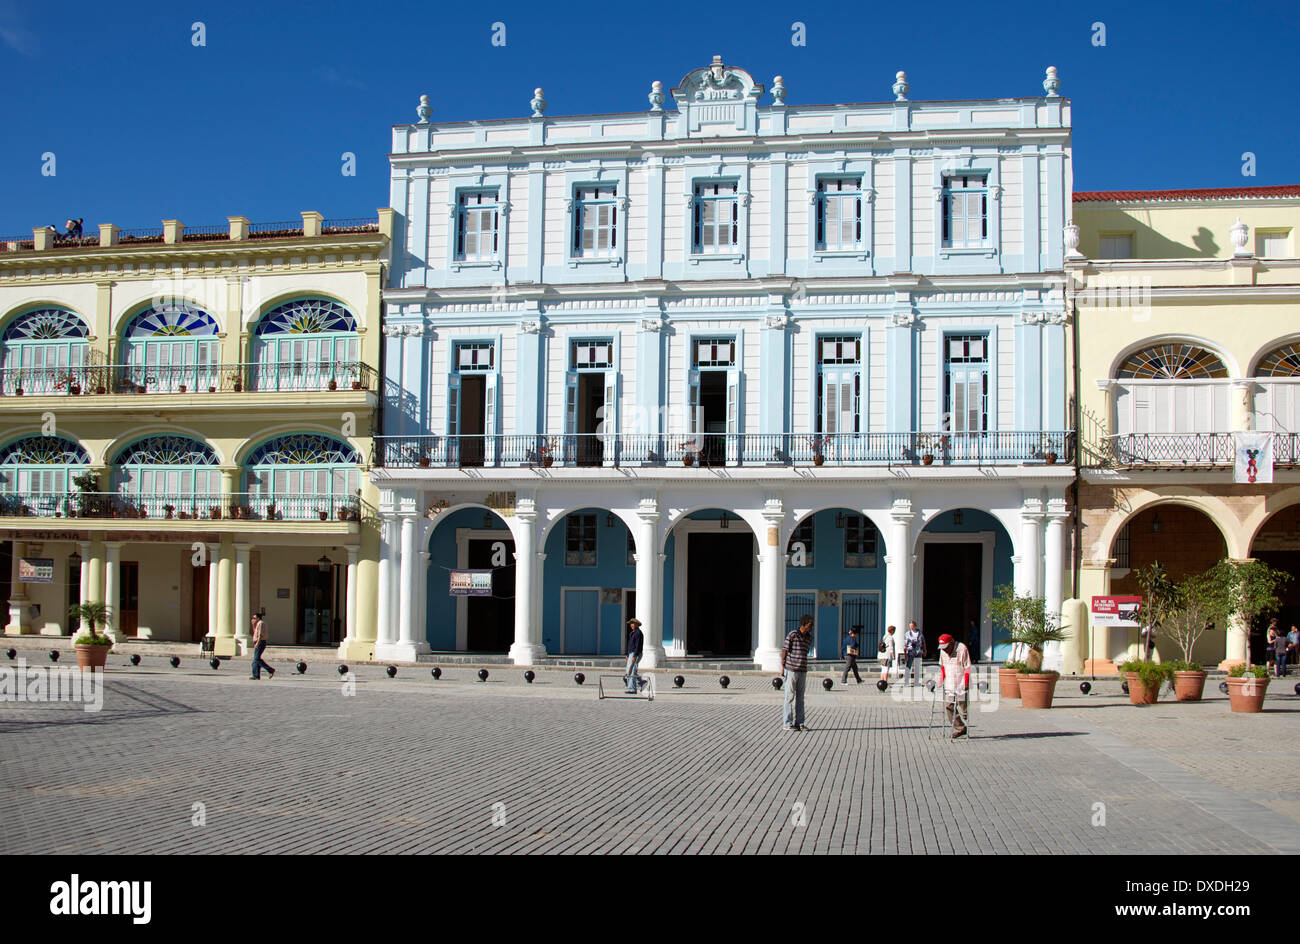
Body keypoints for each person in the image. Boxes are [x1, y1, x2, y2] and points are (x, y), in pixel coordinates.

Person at [781, 614, 814, 731]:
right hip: (791, 670)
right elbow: (784, 650)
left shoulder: (809, 638)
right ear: (804, 624)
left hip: (802, 670)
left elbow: (805, 652)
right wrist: (783, 667)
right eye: (810, 625)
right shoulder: (792, 635)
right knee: (789, 697)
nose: (811, 627)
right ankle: (787, 723)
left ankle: (800, 722)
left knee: (801, 698)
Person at [937, 633, 971, 739]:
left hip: (960, 682)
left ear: (951, 643)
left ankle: (965, 718)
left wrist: (966, 682)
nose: (944, 650)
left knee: (963, 709)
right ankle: (960, 728)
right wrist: (941, 680)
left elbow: (967, 667)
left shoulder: (962, 648)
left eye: (946, 647)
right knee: (949, 707)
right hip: (950, 683)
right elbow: (943, 666)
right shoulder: (943, 651)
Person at [249, 613, 275, 679]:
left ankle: (270, 670)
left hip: (260, 642)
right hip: (257, 641)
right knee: (255, 660)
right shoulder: (257, 624)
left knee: (256, 659)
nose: (253, 619)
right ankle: (256, 675)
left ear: (258, 618)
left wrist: (257, 643)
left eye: (254, 618)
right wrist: (253, 625)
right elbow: (255, 632)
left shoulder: (261, 623)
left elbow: (260, 634)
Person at [624, 618, 645, 693]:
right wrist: (627, 654)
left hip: (635, 653)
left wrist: (635, 656)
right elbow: (630, 645)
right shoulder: (632, 633)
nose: (631, 625)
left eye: (633, 623)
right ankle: (641, 682)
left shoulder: (638, 633)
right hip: (631, 653)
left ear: (636, 624)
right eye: (630, 624)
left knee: (632, 671)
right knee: (629, 671)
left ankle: (632, 689)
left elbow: (637, 645)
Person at [902, 620, 925, 687]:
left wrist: (925, 650)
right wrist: (905, 654)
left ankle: (917, 682)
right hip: (910, 651)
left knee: (917, 667)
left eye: (912, 626)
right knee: (908, 666)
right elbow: (905, 645)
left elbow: (923, 642)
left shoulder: (920, 633)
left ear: (915, 626)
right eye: (910, 626)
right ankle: (906, 681)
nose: (911, 627)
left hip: (918, 651)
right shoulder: (907, 634)